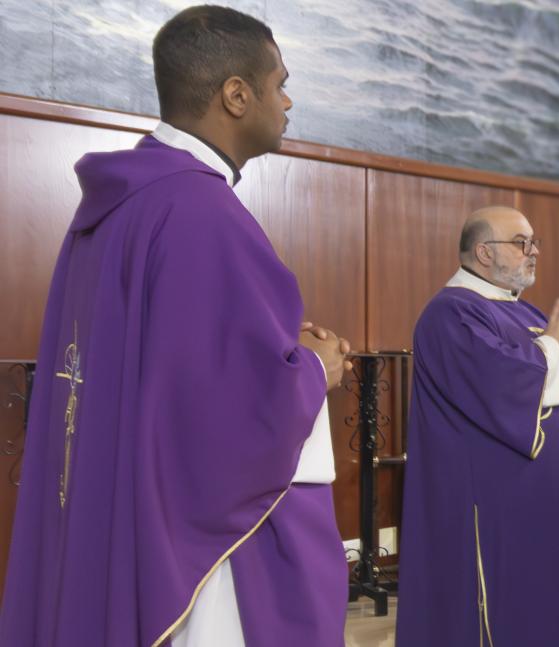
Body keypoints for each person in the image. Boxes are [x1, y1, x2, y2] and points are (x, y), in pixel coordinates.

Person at [0, 6, 350, 646]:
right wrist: (314, 369)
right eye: (279, 83)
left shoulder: (120, 204)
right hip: (195, 553)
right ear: (236, 95)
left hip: (115, 501)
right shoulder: (200, 211)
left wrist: (282, 352)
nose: (288, 99)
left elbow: (178, 369)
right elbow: (229, 415)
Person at [396, 206, 559, 646]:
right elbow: (504, 384)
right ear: (483, 252)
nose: (533, 252)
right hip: (497, 508)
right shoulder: (451, 315)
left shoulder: (523, 311)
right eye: (521, 243)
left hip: (551, 501)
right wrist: (553, 347)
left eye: (534, 242)